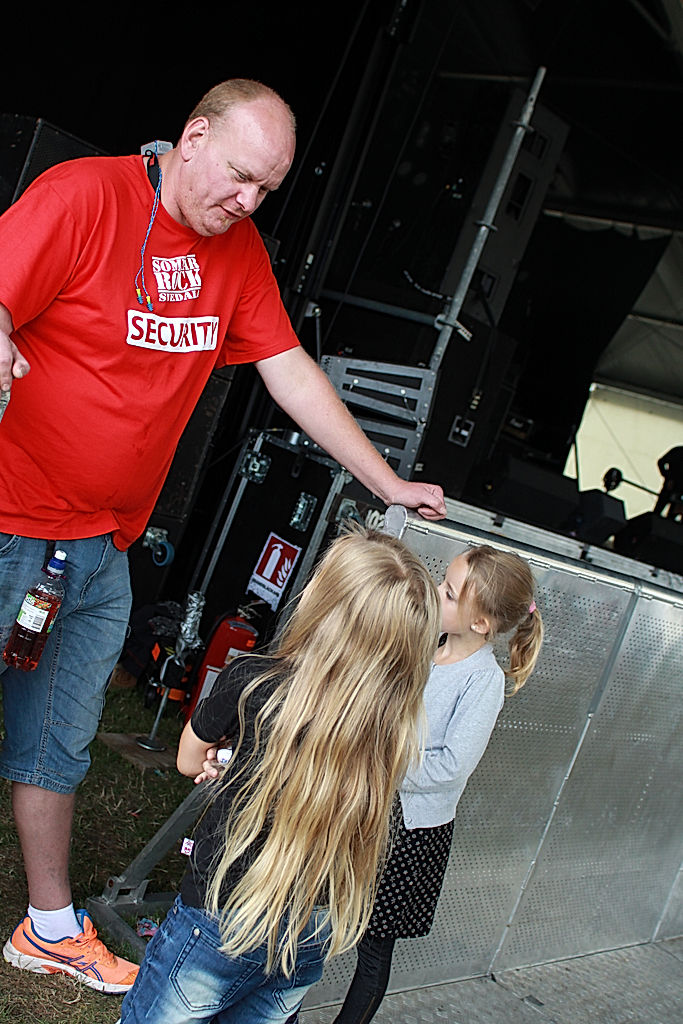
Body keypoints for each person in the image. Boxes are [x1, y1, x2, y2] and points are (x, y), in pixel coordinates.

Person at [0, 78, 446, 992]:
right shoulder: (86, 196)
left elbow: (289, 370)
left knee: (59, 740)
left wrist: (385, 479)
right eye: (240, 177)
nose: (247, 203)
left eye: (266, 191)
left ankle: (47, 926)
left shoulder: (236, 251)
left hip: (102, 548)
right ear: (192, 137)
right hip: (10, 524)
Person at [116, 525, 441, 1023]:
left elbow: (187, 759)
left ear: (323, 605)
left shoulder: (252, 683)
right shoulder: (393, 731)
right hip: (313, 928)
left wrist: (227, 757)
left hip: (222, 915)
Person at [324, 543, 544, 1024]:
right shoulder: (426, 644)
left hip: (407, 830)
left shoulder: (482, 682)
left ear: (481, 623)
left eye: (446, 592)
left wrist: (380, 764)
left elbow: (450, 767)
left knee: (373, 949)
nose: (434, 595)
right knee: (318, 912)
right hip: (362, 803)